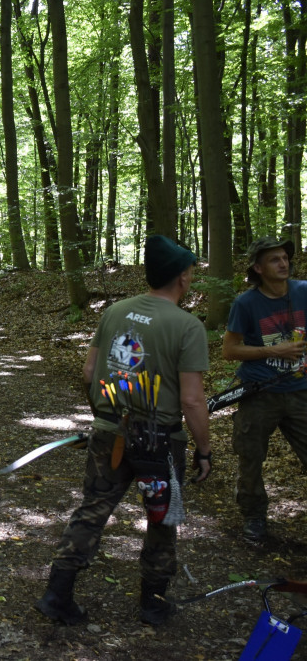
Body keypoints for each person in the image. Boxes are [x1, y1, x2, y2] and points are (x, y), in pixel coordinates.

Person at [35, 235, 212, 627]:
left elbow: (88, 372)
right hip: (161, 443)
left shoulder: (115, 312)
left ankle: (56, 594)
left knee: (93, 509)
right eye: (191, 271)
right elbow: (193, 401)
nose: (192, 277)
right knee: (162, 521)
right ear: (182, 277)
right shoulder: (186, 326)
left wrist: (105, 413)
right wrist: (204, 449)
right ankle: (152, 603)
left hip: (109, 434)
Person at [221, 236, 307, 542]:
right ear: (258, 268)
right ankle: (254, 515)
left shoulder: (304, 291)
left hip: (300, 391)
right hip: (260, 392)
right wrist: (274, 351)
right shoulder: (246, 303)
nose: (283, 263)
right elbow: (229, 351)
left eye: (285, 257)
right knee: (250, 456)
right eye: (274, 259)